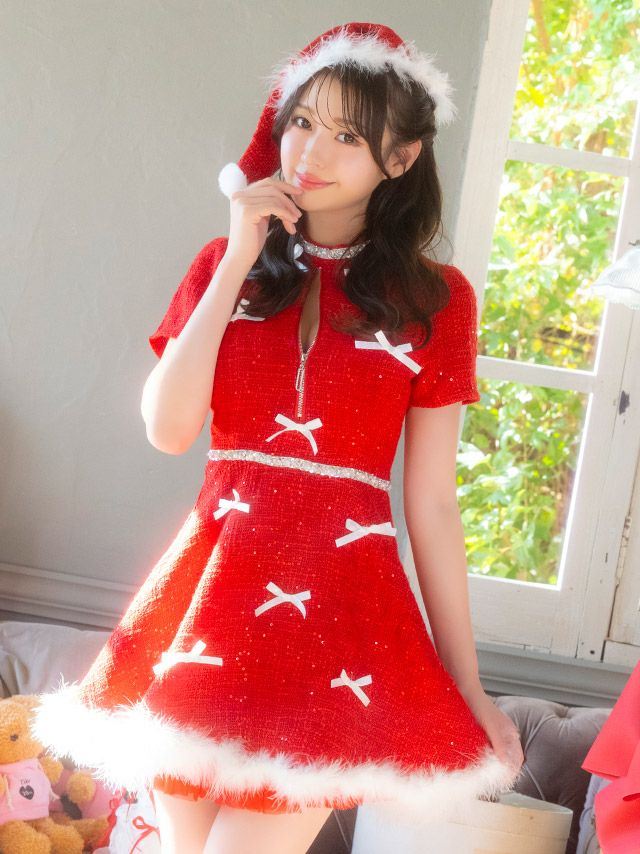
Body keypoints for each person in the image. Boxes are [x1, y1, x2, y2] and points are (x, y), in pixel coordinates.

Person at [31, 21, 525, 854]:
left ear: (400, 158)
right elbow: (169, 430)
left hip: (340, 618)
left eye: (347, 136)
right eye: (300, 121)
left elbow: (434, 505)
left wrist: (467, 685)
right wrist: (237, 258)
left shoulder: (437, 301)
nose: (311, 151)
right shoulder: (222, 267)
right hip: (208, 607)